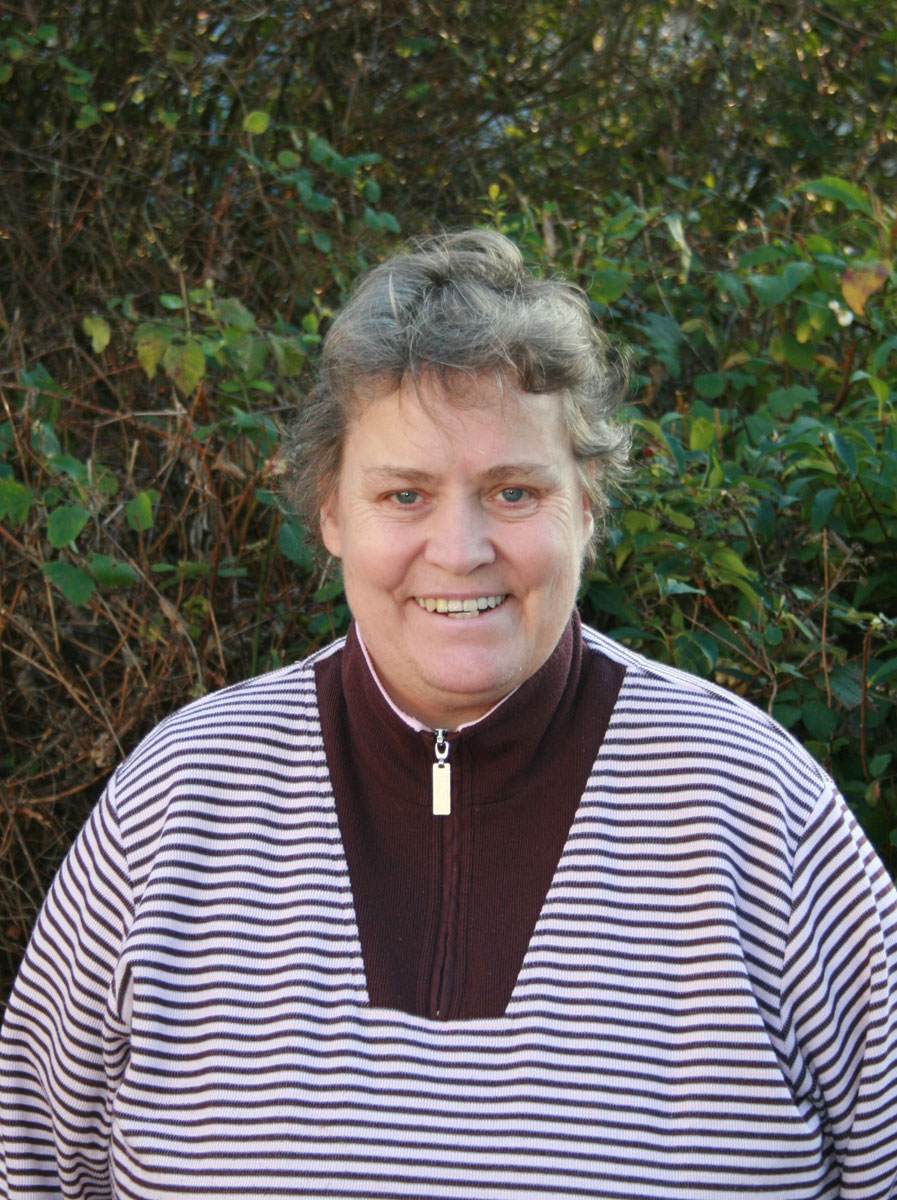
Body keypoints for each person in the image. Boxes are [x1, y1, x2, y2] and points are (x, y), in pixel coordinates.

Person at [1, 229, 896, 1200]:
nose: (460, 550)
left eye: (514, 491)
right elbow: (31, 1166)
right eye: (404, 494)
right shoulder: (181, 800)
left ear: (586, 506)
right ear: (331, 513)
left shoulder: (753, 806)